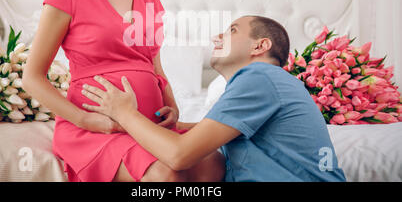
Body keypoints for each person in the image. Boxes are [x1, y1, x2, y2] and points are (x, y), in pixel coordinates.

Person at [22, 0, 225, 182]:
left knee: (214, 164)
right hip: (96, 128)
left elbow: (154, 64)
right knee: (166, 175)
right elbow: (32, 77)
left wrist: (172, 104)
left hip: (150, 125)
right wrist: (85, 119)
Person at [81, 15, 347, 182]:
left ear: (260, 46)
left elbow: (179, 156)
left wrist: (124, 112)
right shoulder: (266, 82)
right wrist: (179, 126)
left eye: (232, 30)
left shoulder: (259, 76)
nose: (216, 36)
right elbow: (227, 131)